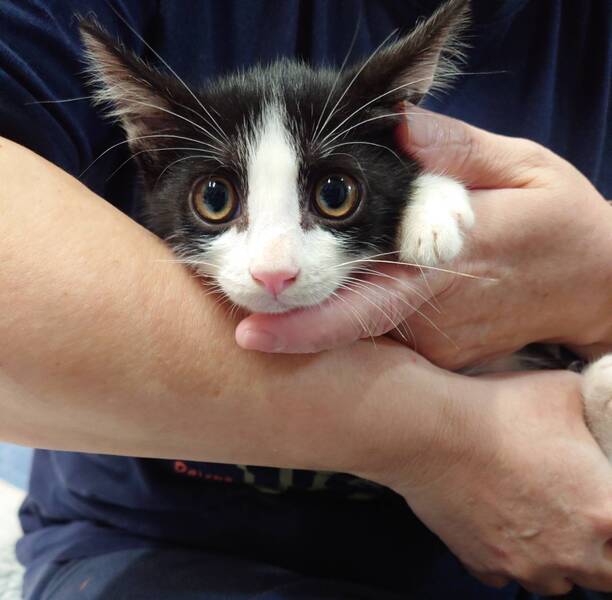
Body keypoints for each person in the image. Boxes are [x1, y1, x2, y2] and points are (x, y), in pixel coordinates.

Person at [0, 1, 611, 598]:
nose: (274, 269)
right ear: (150, 155)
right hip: (160, 542)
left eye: (334, 198)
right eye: (216, 202)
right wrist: (443, 443)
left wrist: (598, 274)